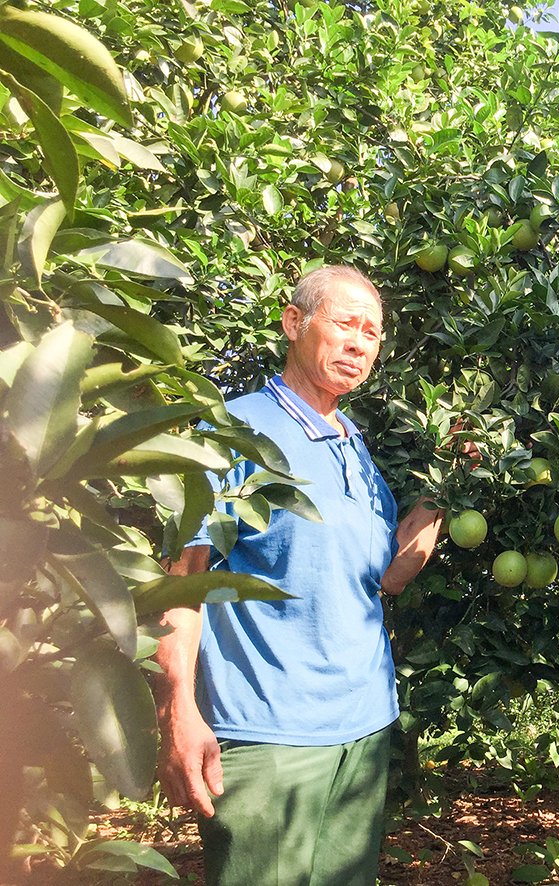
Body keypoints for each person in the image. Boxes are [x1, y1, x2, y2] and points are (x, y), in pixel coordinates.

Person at [154, 266, 443, 886]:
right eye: (345, 323)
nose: (360, 343)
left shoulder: (355, 445)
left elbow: (387, 578)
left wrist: (442, 491)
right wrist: (178, 709)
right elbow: (182, 583)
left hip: (363, 726)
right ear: (294, 323)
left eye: (373, 333)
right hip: (265, 731)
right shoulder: (234, 430)